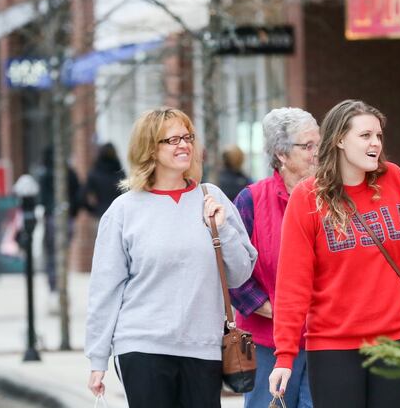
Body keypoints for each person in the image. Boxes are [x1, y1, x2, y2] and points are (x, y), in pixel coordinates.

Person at [268, 100, 400, 408]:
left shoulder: (394, 181)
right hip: (333, 345)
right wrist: (285, 354)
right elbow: (293, 284)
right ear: (339, 139)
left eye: (378, 136)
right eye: (365, 136)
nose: (375, 143)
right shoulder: (307, 197)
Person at [85, 107, 257, 407]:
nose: (184, 145)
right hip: (142, 345)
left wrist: (223, 227)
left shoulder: (211, 197)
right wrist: (98, 358)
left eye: (188, 137)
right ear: (150, 149)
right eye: (172, 139)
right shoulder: (124, 210)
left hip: (203, 348)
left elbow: (240, 274)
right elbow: (105, 290)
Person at [229, 107, 320, 408]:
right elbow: (234, 275)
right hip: (267, 342)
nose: (317, 153)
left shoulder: (332, 198)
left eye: (319, 144)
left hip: (324, 340)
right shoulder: (251, 200)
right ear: (281, 154)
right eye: (308, 146)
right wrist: (281, 313)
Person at [36, 146, 81, 307]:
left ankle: (55, 290)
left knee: (52, 256)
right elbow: (79, 193)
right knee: (62, 256)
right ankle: (59, 290)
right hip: (66, 217)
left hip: (52, 218)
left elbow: (40, 198)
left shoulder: (45, 174)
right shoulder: (69, 172)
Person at [80, 143, 126, 219]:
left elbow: (82, 197)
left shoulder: (94, 173)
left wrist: (93, 210)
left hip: (101, 214)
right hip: (119, 214)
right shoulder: (121, 174)